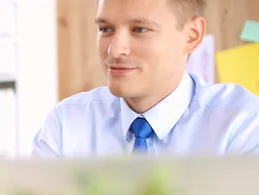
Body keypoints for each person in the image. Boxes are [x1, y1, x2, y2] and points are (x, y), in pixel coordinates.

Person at [33, 0, 259, 157]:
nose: (114, 50)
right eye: (105, 29)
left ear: (192, 35)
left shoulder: (243, 124)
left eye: (139, 29)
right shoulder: (66, 125)